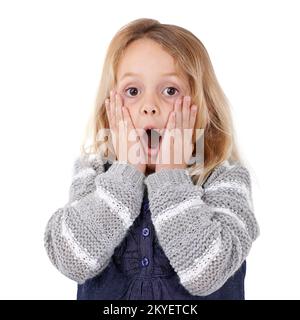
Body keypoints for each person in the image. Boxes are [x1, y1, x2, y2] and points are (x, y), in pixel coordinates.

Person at [44, 18, 260, 300]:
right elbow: (72, 260)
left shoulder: (225, 178)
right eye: (132, 92)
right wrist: (125, 174)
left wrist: (170, 174)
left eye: (170, 91)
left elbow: (207, 273)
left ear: (202, 104)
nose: (149, 107)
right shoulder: (93, 173)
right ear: (110, 106)